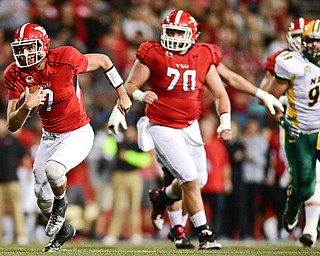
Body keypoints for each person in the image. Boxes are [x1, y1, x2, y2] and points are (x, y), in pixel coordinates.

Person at [108, 10, 284, 249]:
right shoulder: (153, 52)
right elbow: (128, 85)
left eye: (180, 32)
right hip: (162, 125)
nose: (174, 37)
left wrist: (254, 99)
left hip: (191, 126)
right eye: (170, 32)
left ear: (194, 35)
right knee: (189, 178)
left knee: (197, 181)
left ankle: (164, 197)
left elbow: (227, 83)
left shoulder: (203, 54)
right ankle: (203, 233)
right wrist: (139, 94)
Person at [3, 23, 131, 252]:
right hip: (49, 137)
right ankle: (64, 232)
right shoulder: (14, 73)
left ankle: (61, 205)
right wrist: (25, 108)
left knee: (54, 170)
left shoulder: (65, 57)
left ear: (43, 46)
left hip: (78, 132)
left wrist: (122, 94)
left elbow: (103, 60)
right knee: (41, 198)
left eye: (29, 48)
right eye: (19, 49)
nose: (24, 54)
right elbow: (12, 124)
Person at [260, 17, 320, 247]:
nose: (313, 45)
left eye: (318, 41)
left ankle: (311, 229)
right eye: (310, 40)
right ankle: (294, 203)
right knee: (305, 183)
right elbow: (269, 96)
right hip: (301, 130)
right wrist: (282, 120)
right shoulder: (289, 62)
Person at [0, 116, 29, 244]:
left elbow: (24, 156)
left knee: (16, 208)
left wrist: (28, 172)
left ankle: (20, 235)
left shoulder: (13, 141)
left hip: (12, 180)